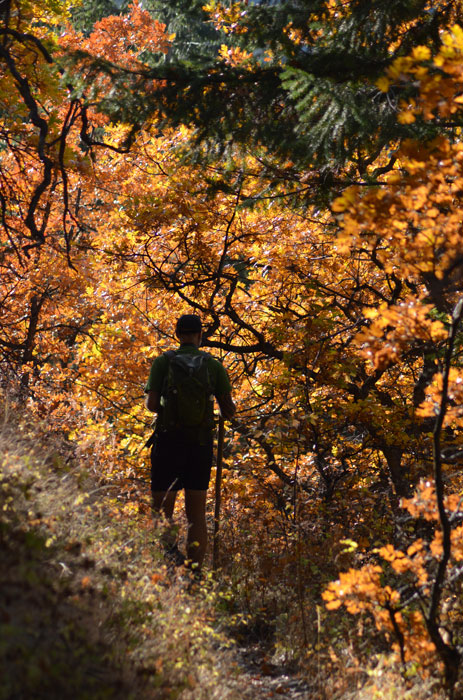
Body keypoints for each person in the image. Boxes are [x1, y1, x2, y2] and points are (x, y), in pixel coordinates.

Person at [144, 314, 235, 572]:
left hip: (168, 444)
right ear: (200, 336)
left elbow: (151, 406)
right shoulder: (213, 365)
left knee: (163, 513)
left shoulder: (163, 362)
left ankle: (169, 568)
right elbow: (229, 410)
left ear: (177, 334)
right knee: (196, 516)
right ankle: (194, 575)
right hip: (200, 447)